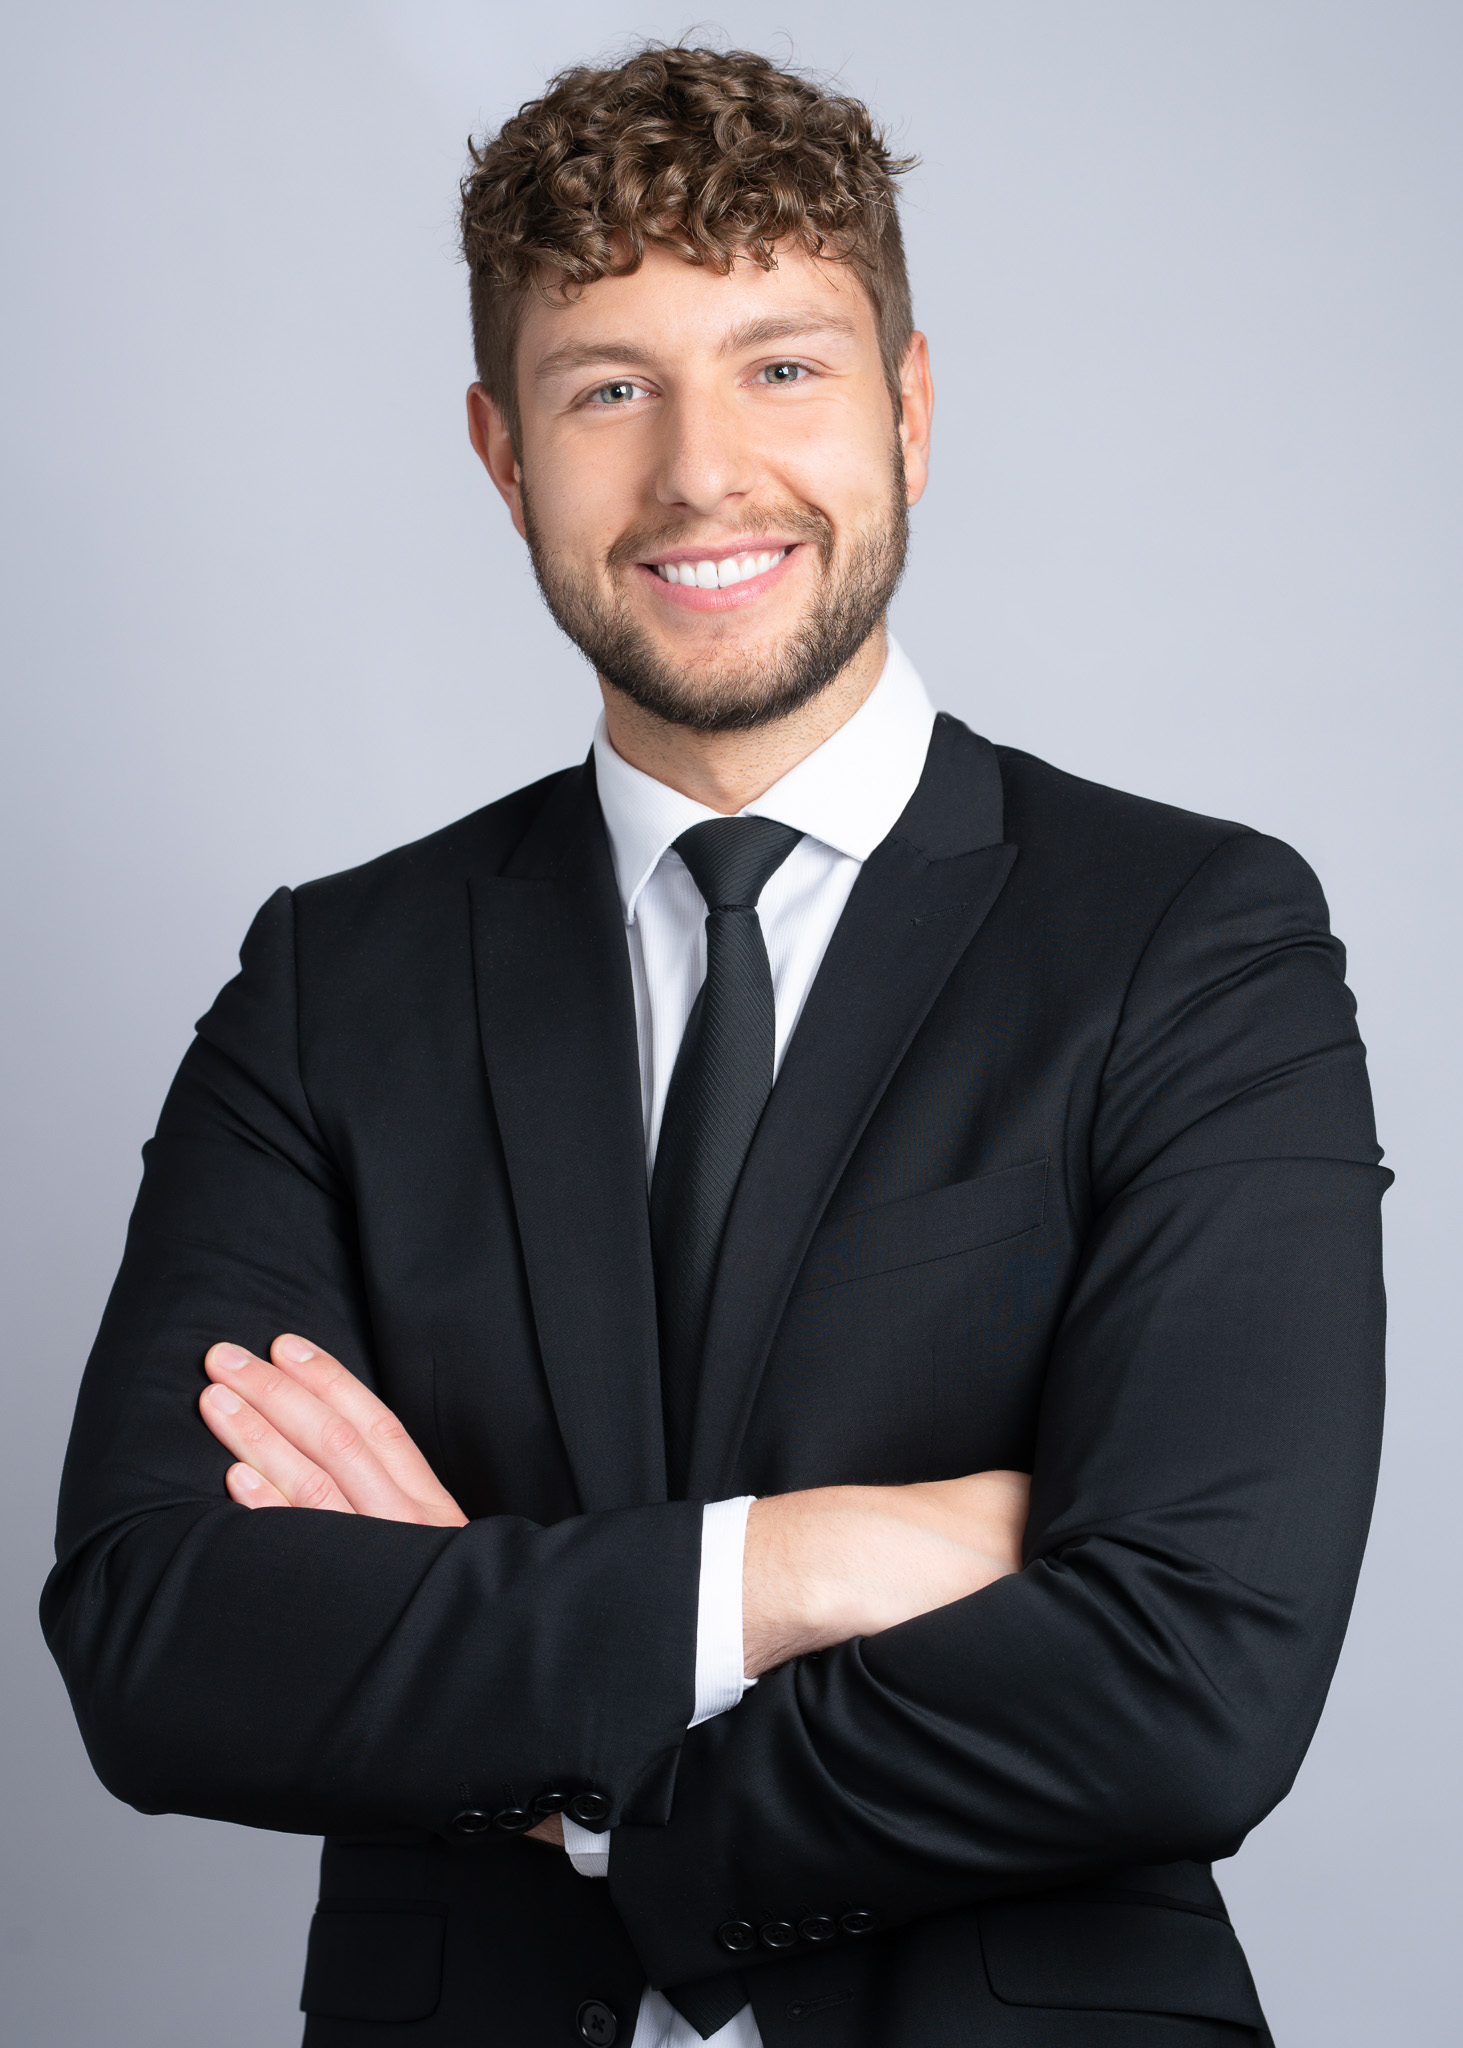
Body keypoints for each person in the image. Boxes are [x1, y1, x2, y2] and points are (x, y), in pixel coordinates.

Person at [42, 42, 1388, 2048]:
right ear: (503, 455)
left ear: (908, 409)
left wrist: (571, 1762)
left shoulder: (1191, 940)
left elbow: (1193, 1685)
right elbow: (159, 1638)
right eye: (610, 388)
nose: (699, 472)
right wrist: (812, 1561)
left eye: (781, 366)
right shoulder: (334, 982)